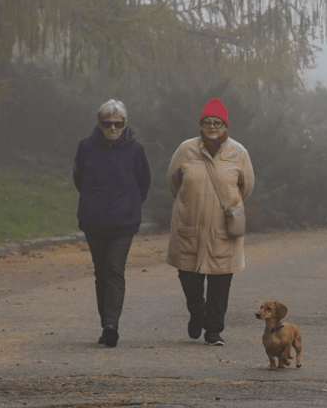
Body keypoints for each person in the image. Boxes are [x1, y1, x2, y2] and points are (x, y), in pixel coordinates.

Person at [166, 98, 255, 346]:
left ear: (226, 126)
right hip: (189, 227)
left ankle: (214, 330)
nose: (212, 127)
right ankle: (197, 313)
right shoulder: (186, 150)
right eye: (207, 122)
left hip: (223, 229)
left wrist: (228, 207)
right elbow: (174, 182)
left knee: (220, 283)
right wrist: (189, 205)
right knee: (189, 279)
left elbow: (246, 188)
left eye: (217, 122)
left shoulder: (239, 153)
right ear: (200, 124)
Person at [72, 99, 151, 348]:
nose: (113, 129)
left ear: (125, 124)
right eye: (108, 124)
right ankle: (105, 321)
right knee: (100, 271)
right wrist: (91, 201)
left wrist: (129, 205)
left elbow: (144, 182)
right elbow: (79, 178)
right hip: (93, 220)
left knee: (114, 269)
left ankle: (111, 324)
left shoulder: (135, 150)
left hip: (123, 222)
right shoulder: (86, 147)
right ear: (100, 123)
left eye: (118, 124)